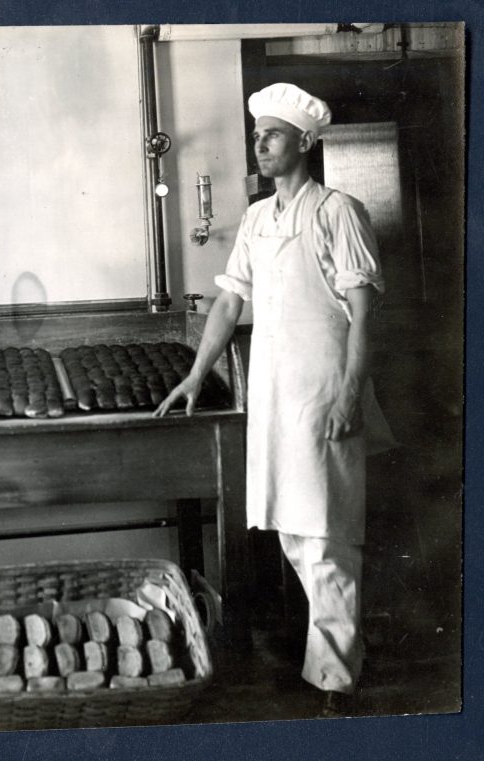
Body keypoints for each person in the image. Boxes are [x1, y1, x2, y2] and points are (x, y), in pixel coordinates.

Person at [155, 82, 385, 718]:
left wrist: (348, 396)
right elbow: (230, 301)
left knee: (328, 536)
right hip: (276, 393)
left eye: (273, 135)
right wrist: (198, 374)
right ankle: (334, 661)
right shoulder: (258, 217)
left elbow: (365, 316)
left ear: (304, 143)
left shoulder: (338, 210)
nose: (260, 144)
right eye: (257, 135)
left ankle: (338, 684)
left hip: (324, 393)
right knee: (290, 528)